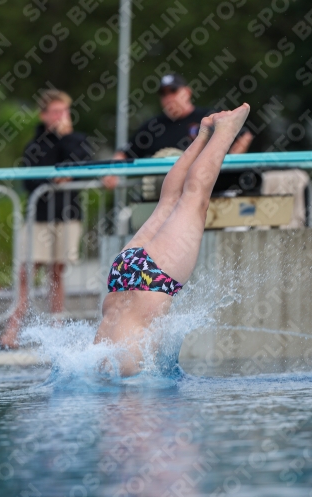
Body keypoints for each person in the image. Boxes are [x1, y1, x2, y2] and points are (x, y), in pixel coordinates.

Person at [94, 103, 251, 377]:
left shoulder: (119, 382)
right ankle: (203, 134)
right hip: (122, 274)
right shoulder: (95, 365)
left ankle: (225, 132)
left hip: (150, 282)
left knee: (195, 198)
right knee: (167, 203)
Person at [0, 89, 108, 349]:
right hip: (39, 217)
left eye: (65, 111)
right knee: (27, 271)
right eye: (57, 112)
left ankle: (56, 328)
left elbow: (82, 166)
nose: (62, 116)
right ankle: (12, 329)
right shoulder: (35, 144)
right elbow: (30, 179)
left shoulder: (76, 139)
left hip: (66, 216)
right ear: (44, 115)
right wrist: (53, 180)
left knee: (57, 273)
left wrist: (66, 137)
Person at [114, 74, 253, 160]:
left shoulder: (208, 117)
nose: (168, 97)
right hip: (162, 195)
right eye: (163, 93)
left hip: (206, 190)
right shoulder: (153, 126)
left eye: (173, 91)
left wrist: (227, 164)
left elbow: (244, 135)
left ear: (187, 92)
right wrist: (112, 173)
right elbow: (124, 154)